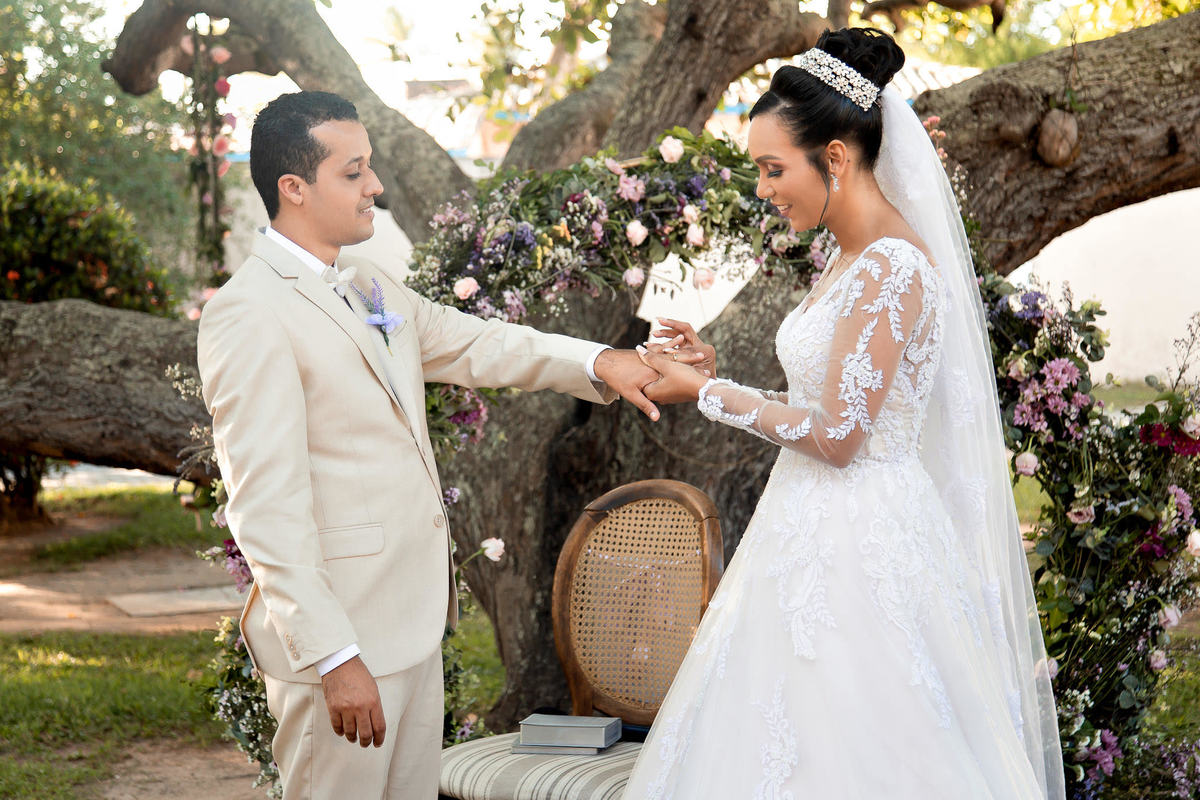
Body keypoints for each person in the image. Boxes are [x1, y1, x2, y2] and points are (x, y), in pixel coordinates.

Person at [196, 91, 694, 799]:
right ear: (294, 188)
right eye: (354, 172)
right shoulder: (248, 314)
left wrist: (603, 362)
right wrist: (336, 657)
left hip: (412, 627)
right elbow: (265, 509)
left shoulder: (368, 285)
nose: (375, 187)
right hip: (343, 641)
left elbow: (482, 343)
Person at [624, 28, 1066, 798]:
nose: (762, 187)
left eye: (772, 169)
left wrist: (706, 395)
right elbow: (828, 403)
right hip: (809, 528)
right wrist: (720, 372)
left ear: (834, 157)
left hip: (863, 542)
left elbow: (837, 437)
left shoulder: (893, 267)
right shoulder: (849, 256)